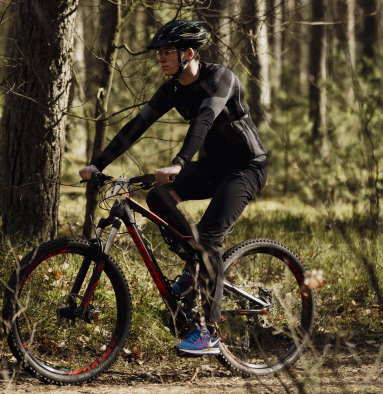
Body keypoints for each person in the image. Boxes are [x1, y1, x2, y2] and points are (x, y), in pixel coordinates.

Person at [78, 19, 268, 356]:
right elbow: (137, 125)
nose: (161, 58)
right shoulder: (173, 88)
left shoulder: (220, 79)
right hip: (213, 167)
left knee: (209, 236)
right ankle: (195, 264)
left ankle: (209, 332)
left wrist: (179, 162)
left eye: (167, 52)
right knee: (158, 196)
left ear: (189, 53)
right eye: (160, 53)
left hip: (246, 167)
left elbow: (204, 120)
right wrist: (99, 164)